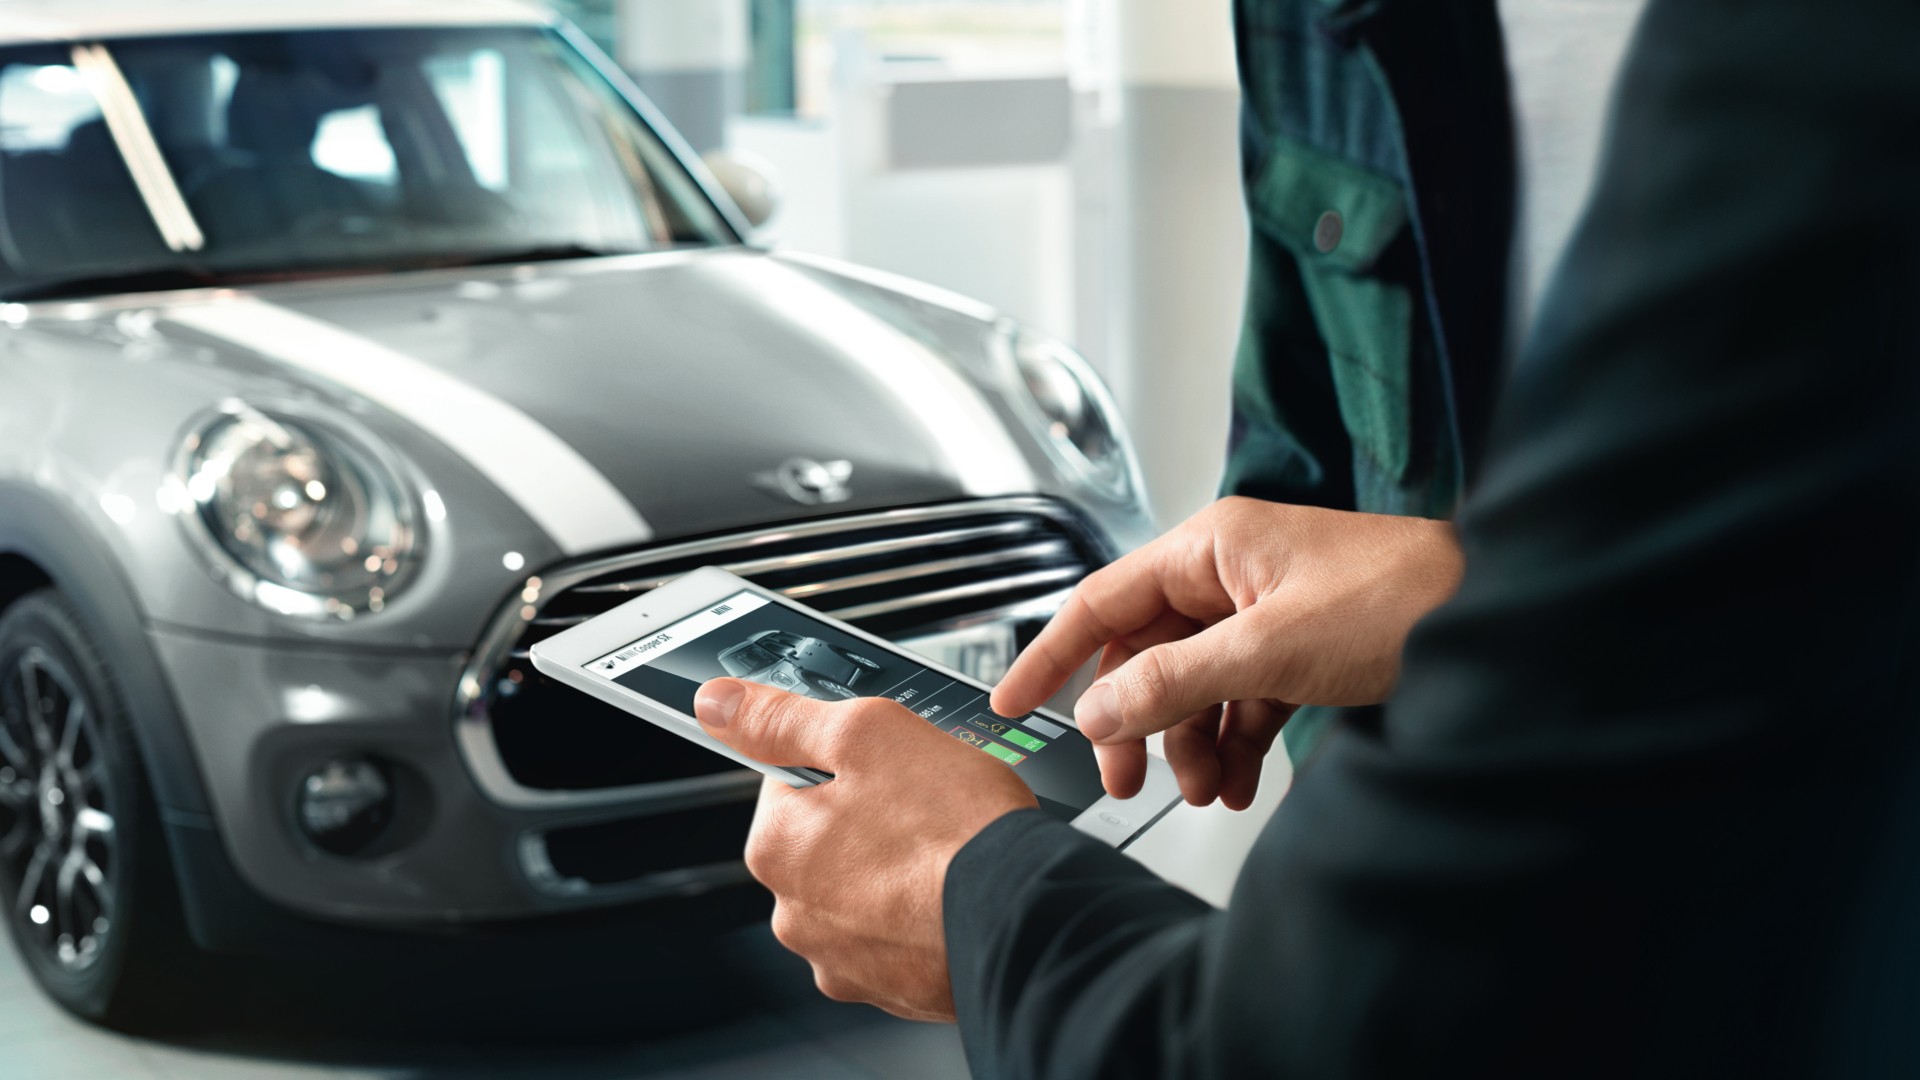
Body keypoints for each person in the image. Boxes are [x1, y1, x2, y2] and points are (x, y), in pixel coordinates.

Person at [690, 0, 1920, 1074]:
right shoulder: (1305, 23)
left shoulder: (1818, 53)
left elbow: (1293, 1047)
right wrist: (1458, 589)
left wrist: (976, 898)